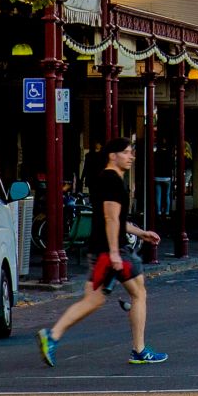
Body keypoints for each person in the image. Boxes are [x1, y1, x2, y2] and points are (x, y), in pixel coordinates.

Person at [39, 138, 168, 366]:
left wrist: (140, 233)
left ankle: (53, 335)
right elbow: (110, 218)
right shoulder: (112, 181)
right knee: (139, 294)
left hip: (102, 249)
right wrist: (115, 252)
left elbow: (114, 218)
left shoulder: (105, 180)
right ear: (113, 155)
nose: (131, 157)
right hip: (113, 250)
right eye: (126, 153)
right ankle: (139, 350)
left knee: (94, 299)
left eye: (131, 153)